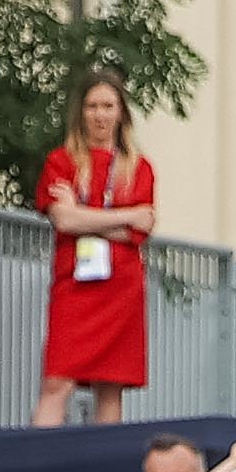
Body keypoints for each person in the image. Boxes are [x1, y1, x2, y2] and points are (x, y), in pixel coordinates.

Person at [34, 66, 157, 426]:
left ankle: (105, 469)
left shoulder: (139, 168)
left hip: (120, 287)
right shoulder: (62, 161)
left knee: (111, 385)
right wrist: (124, 216)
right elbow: (64, 220)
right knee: (57, 380)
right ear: (80, 112)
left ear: (121, 112)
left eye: (107, 106)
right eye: (92, 106)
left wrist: (83, 215)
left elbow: (143, 227)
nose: (100, 115)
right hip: (74, 284)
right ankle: (37, 461)